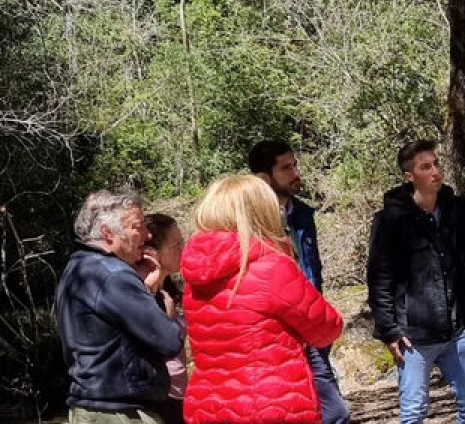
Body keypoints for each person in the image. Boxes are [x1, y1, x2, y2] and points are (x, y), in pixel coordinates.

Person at [181, 175, 343, 424]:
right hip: (272, 405)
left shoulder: (194, 275)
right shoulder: (271, 266)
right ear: (261, 212)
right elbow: (327, 328)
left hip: (208, 407)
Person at [367, 140, 465, 424]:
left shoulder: (456, 210)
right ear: (410, 177)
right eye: (426, 167)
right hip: (413, 337)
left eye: (436, 164)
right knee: (414, 413)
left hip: (456, 330)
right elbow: (379, 278)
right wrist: (389, 330)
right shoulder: (390, 220)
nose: (435, 171)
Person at [56, 190, 184, 424]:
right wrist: (158, 301)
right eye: (138, 227)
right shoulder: (113, 276)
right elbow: (169, 340)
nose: (147, 236)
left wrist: (150, 289)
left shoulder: (77, 267)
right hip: (120, 413)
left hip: (92, 407)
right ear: (108, 233)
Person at [248, 140, 351, 424]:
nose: (295, 173)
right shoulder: (247, 223)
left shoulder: (303, 215)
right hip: (275, 334)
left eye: (295, 165)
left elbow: (312, 270)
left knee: (333, 412)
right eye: (286, 168)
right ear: (263, 177)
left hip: (309, 325)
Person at [142, 214, 188, 424]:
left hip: (179, 393)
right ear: (152, 253)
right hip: (160, 396)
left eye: (182, 242)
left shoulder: (169, 288)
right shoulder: (141, 293)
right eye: (175, 245)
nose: (183, 250)